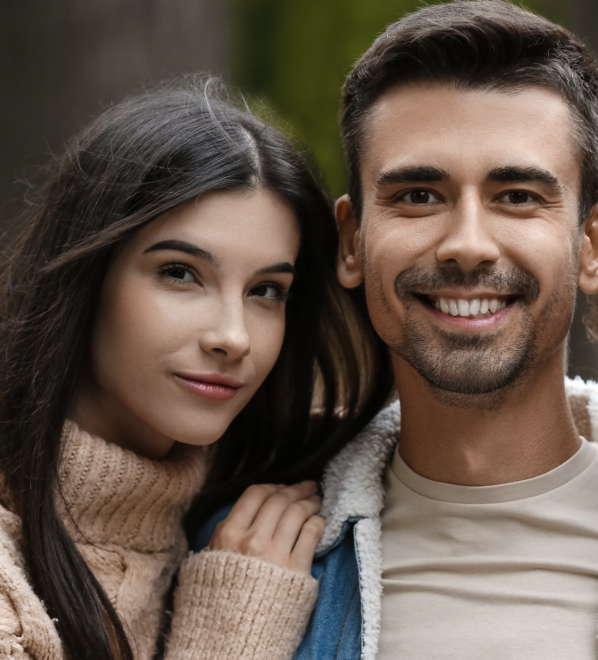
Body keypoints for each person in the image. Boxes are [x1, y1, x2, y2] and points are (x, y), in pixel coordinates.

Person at [224, 2, 598, 658]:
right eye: (418, 195)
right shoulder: (237, 559)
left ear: (591, 246)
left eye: (517, 197)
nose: (468, 246)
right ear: (352, 241)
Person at [0, 78, 390, 660]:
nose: (232, 337)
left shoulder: (250, 481)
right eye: (180, 273)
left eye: (266, 290)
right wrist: (229, 637)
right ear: (86, 277)